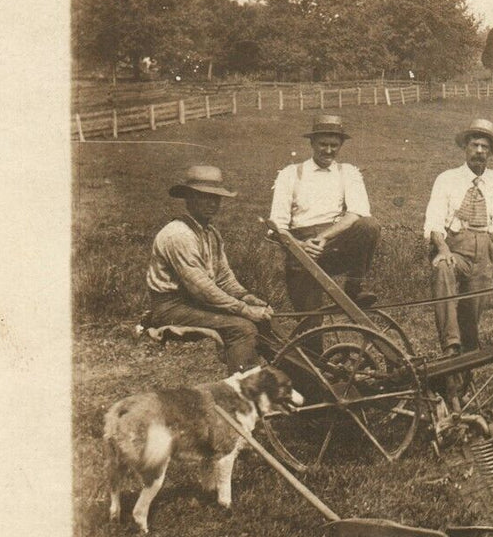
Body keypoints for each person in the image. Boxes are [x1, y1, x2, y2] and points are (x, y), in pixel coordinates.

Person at [144, 165, 274, 374]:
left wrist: (247, 296)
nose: (212, 203)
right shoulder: (178, 235)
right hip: (172, 307)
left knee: (265, 322)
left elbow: (223, 278)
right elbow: (201, 288)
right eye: (203, 197)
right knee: (242, 328)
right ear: (188, 198)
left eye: (216, 198)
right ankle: (243, 393)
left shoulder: (211, 233)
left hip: (196, 303)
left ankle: (301, 380)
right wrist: (243, 309)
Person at [424, 117, 493, 356]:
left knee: (472, 314)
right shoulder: (447, 178)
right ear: (465, 147)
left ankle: (466, 359)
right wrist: (443, 249)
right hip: (455, 248)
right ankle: (450, 344)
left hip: (484, 251)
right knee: (442, 270)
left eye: (485, 147)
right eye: (475, 145)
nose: (479, 151)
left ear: (490, 151)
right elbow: (433, 220)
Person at [269, 114, 380, 310]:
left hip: (334, 246)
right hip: (300, 249)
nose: (328, 150)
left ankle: (355, 286)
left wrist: (323, 237)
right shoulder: (290, 173)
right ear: (312, 143)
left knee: (369, 225)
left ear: (340, 146)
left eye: (334, 145)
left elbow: (357, 213)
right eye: (323, 144)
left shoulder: (348, 172)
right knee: (310, 327)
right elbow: (277, 225)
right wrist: (300, 246)